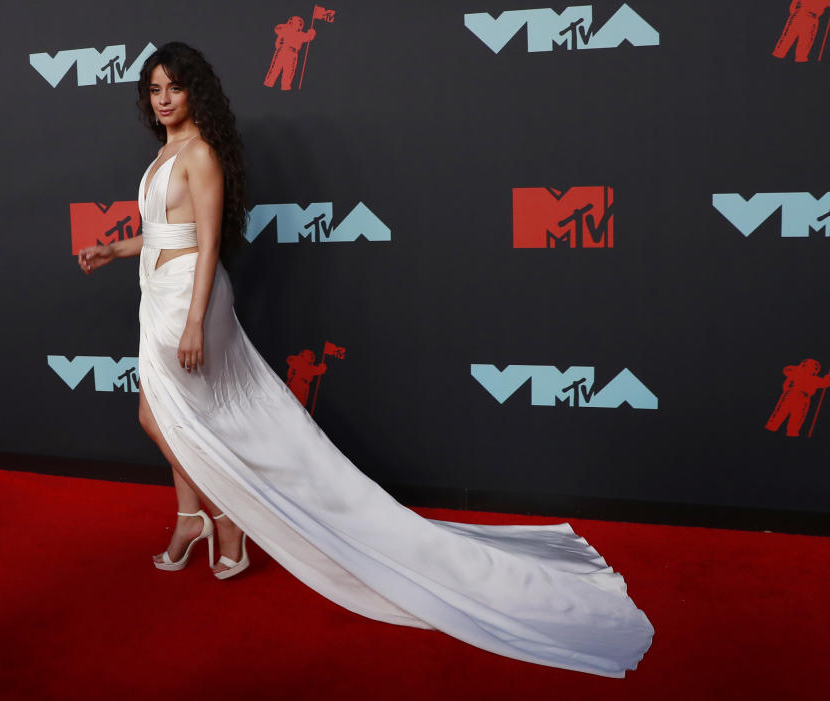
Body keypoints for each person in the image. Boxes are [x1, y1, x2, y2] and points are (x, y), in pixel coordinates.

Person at [78, 41, 653, 677]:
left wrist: (194, 322)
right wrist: (114, 250)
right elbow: (164, 231)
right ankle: (194, 519)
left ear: (195, 94)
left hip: (190, 297)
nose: (163, 99)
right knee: (170, 417)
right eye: (154, 88)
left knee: (171, 419)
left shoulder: (201, 154)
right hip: (154, 294)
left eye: (174, 87)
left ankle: (223, 520)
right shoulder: (162, 153)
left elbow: (210, 243)